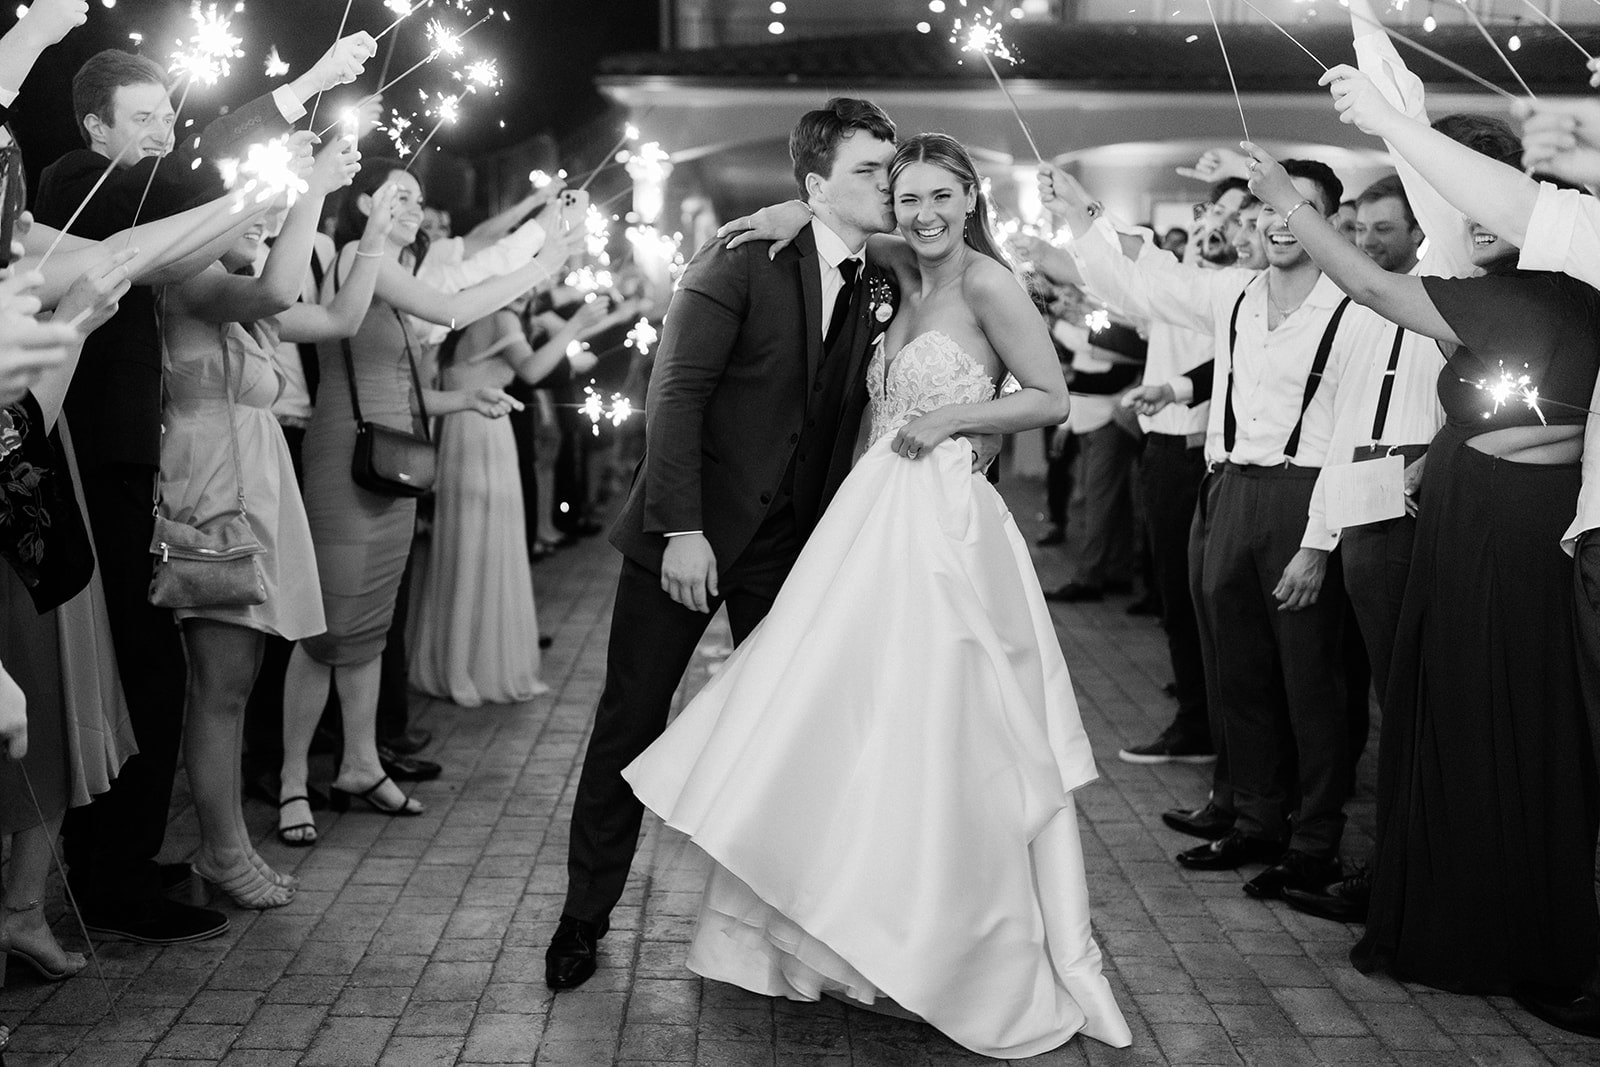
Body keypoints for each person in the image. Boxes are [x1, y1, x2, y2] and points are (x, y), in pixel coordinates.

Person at [623, 132, 1129, 1058]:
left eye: (943, 197)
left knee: (933, 723)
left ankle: (934, 938)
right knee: (840, 714)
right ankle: (829, 924)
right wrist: (780, 211)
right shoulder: (896, 266)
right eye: (910, 200)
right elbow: (826, 224)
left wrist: (953, 416)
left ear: (971, 197)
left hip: (940, 527)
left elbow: (1050, 396)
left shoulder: (986, 284)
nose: (925, 215)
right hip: (863, 520)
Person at [546, 98, 1003, 993]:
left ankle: (779, 924)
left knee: (794, 730)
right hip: (691, 530)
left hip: (797, 546)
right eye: (873, 172)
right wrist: (681, 528)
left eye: (892, 171)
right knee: (630, 721)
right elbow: (675, 395)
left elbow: (965, 319)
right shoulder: (740, 257)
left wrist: (977, 424)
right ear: (814, 184)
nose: (892, 187)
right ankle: (582, 916)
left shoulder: (884, 275)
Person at [31, 35, 375, 945]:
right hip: (100, 454)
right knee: (140, 675)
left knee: (142, 675)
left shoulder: (150, 195)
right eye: (142, 118)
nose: (162, 132)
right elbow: (195, 193)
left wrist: (291, 166)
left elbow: (210, 208)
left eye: (166, 115)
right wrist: (303, 93)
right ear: (94, 124)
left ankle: (119, 861)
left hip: (126, 455)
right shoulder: (76, 182)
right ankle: (111, 877)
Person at [1298, 66, 1600, 1037]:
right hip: (1478, 518)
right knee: (1460, 712)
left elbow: (1368, 282)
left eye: (1481, 197)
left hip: (1514, 531)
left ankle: (1506, 926)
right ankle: (1470, 907)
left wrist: (1306, 193)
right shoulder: (1512, 292)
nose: (1465, 216)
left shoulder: (1550, 294)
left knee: (1505, 718)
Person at [1045, 155, 1372, 901]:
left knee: (1313, 680)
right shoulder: (1234, 294)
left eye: (1293, 208)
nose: (1272, 221)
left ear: (1322, 221)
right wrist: (1084, 211)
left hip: (1306, 496)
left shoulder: (1355, 310)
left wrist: (1319, 543)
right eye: (1264, 208)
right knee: (1239, 668)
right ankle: (1255, 819)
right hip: (1225, 489)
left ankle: (1316, 838)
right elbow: (1144, 278)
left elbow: (1355, 433)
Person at [277, 158, 573, 846]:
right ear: (361, 203)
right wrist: (544, 256)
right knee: (326, 629)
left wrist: (464, 397)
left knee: (373, 623)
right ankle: (294, 780)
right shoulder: (360, 253)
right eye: (398, 194)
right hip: (345, 457)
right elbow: (454, 307)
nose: (413, 205)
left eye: (418, 196)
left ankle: (358, 762)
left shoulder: (394, 269)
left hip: (393, 457)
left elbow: (405, 390)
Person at [157, 133, 374, 897]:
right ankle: (221, 848)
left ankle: (226, 843)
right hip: (213, 494)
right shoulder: (190, 280)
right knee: (219, 682)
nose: (265, 233)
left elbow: (342, 318)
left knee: (239, 678)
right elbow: (283, 289)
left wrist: (373, 233)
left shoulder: (242, 304)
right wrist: (307, 186)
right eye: (252, 223)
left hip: (254, 484)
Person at [408, 293, 633, 706]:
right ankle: (472, 668)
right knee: (485, 549)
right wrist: (574, 324)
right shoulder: (500, 316)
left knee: (463, 548)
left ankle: (455, 660)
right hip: (485, 433)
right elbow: (531, 371)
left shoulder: (466, 311)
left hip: (459, 435)